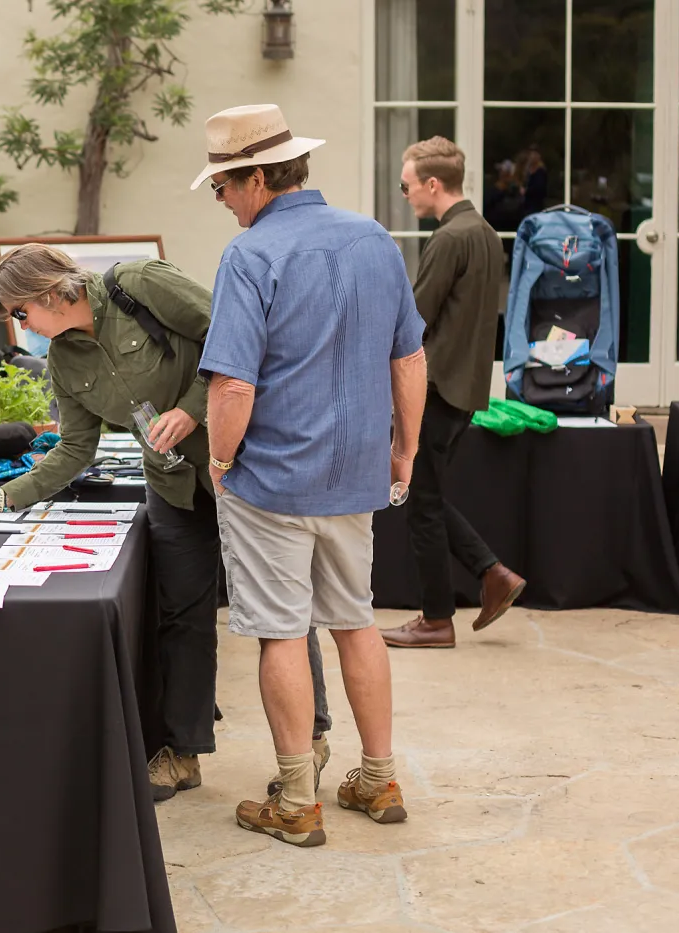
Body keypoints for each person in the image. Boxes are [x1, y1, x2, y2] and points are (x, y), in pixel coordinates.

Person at [191, 104, 428, 848]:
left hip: (272, 479)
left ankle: (297, 797)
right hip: (354, 473)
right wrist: (405, 450)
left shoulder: (251, 255)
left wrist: (219, 461)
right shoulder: (374, 239)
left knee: (282, 633)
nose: (222, 201)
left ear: (258, 177)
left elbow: (232, 387)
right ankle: (378, 776)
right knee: (355, 620)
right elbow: (409, 358)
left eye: (223, 186)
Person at [0, 244, 221, 802]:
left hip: (241, 466)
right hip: (173, 486)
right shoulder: (63, 360)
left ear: (49, 292)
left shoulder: (139, 283)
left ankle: (306, 746)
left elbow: (232, 339)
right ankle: (182, 752)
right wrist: (1, 498)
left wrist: (191, 408)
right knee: (181, 617)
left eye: (21, 315)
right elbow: (74, 450)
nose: (21, 329)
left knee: (279, 611)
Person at [381, 137, 527, 650]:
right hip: (464, 391)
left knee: (421, 502)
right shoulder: (484, 232)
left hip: (436, 387)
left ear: (433, 184)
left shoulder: (448, 239)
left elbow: (413, 322)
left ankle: (438, 619)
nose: (405, 195)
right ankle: (492, 577)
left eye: (406, 185)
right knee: (427, 497)